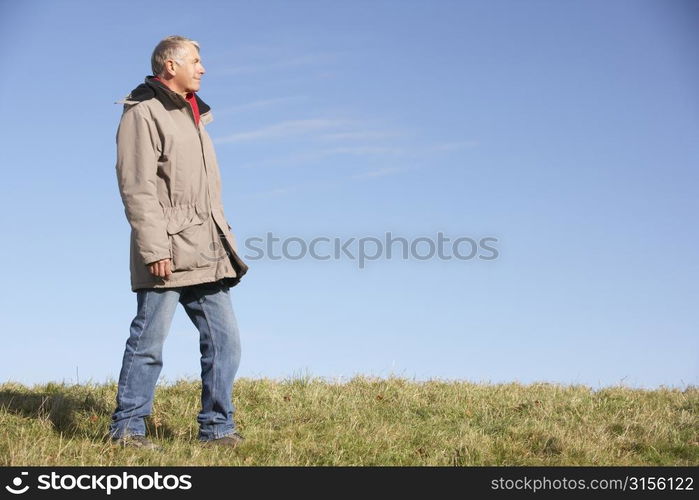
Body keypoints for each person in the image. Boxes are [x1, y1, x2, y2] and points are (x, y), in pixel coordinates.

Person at [110, 35, 249, 450]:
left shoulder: (193, 115)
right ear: (171, 66)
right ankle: (127, 428)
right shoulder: (144, 112)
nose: (203, 68)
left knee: (226, 342)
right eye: (196, 60)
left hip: (206, 248)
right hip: (167, 251)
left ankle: (217, 428)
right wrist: (154, 249)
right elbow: (137, 187)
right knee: (149, 341)